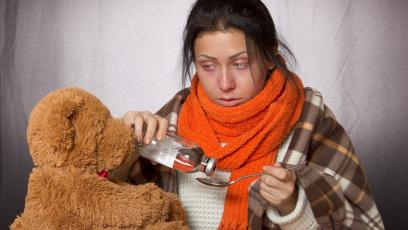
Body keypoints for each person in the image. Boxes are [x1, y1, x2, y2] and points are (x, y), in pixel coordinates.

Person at [123, 0, 384, 229]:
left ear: (270, 56)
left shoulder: (311, 123)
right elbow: (102, 202)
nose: (225, 83)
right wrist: (124, 145)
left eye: (240, 64)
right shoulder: (175, 116)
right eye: (208, 66)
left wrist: (295, 208)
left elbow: (364, 225)